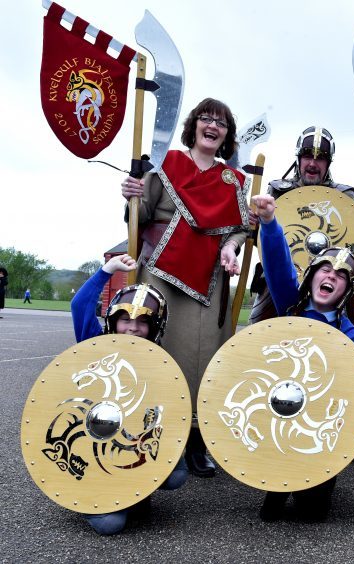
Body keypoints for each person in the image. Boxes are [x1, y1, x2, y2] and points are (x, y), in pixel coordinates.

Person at [120, 98, 249, 478]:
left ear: (227, 135)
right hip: (159, 273)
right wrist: (130, 194)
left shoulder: (233, 181)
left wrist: (230, 245)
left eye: (221, 123)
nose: (213, 126)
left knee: (204, 359)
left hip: (209, 279)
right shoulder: (168, 167)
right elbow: (139, 218)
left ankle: (195, 442)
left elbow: (241, 227)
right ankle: (153, 433)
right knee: (156, 353)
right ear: (193, 126)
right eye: (206, 119)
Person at [252, 193, 354, 522]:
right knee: (270, 512)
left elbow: (343, 390)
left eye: (340, 276)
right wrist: (269, 224)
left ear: (346, 290)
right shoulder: (290, 306)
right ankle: (278, 477)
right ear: (312, 274)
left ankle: (316, 482)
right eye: (325, 269)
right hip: (281, 409)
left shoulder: (348, 333)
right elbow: (279, 265)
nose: (331, 277)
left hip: (316, 422)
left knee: (313, 514)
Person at [69, 254, 187, 535]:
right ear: (112, 320)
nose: (132, 327)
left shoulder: (158, 363)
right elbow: (79, 305)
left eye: (142, 322)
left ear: (154, 327)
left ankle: (132, 484)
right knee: (111, 524)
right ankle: (85, 493)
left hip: (128, 440)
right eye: (124, 319)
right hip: (92, 438)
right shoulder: (93, 345)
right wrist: (107, 270)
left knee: (177, 475)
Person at [249, 126, 354, 323]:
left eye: (320, 158)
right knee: (260, 332)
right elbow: (261, 243)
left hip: (330, 285)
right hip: (280, 280)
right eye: (307, 156)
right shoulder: (278, 192)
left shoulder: (346, 197)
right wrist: (255, 226)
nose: (312, 163)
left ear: (328, 163)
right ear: (298, 158)